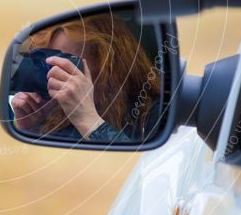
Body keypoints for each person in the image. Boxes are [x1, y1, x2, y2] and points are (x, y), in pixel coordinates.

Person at [10, 13, 159, 142]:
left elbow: (135, 163)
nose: (52, 76)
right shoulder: (54, 115)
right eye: (45, 64)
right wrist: (30, 129)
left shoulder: (154, 114)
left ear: (109, 65)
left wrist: (87, 120)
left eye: (65, 65)